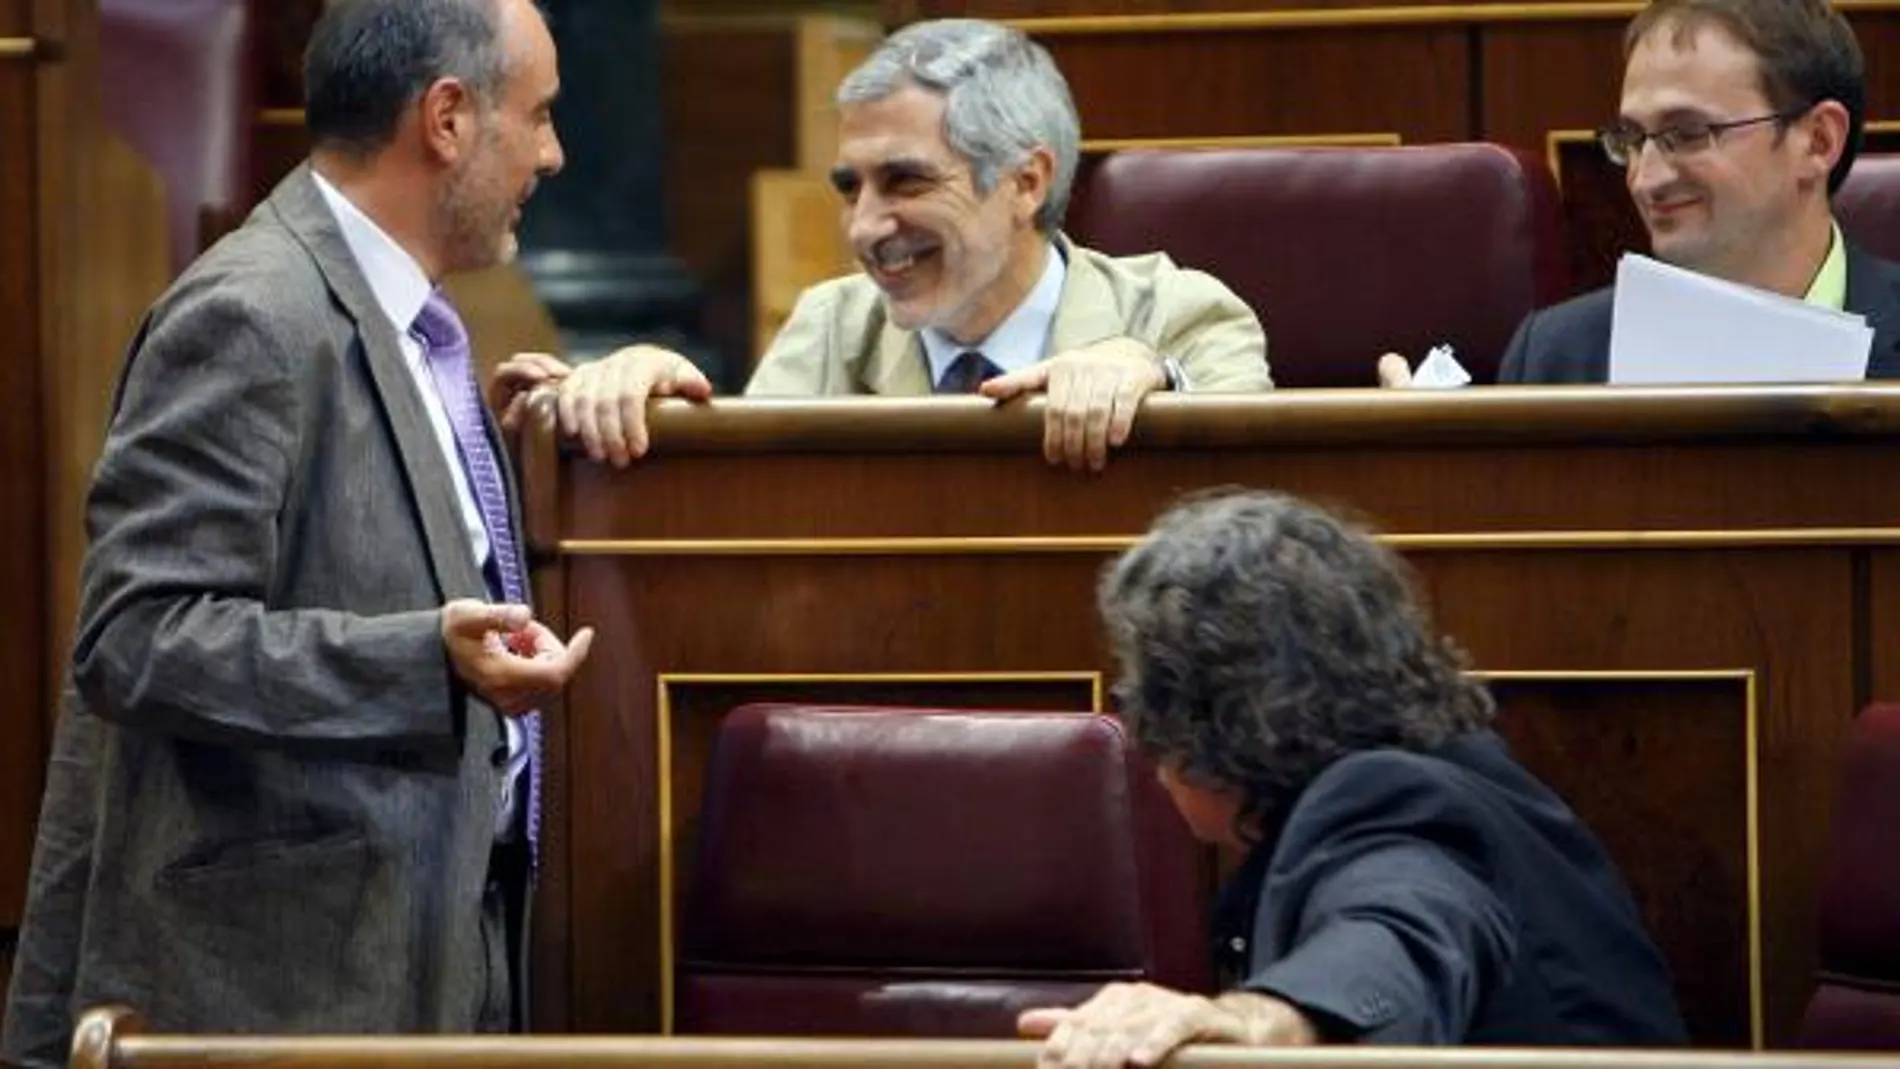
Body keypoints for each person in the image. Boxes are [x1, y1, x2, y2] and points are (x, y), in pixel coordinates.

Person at [0, 1, 593, 1063]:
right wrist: (421, 659)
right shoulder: (253, 314)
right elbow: (137, 638)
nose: (551, 153)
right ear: (448, 118)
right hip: (284, 988)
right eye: (538, 115)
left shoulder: (423, 326)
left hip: (434, 950)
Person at [1018, 490, 1688, 1066]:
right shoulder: (1452, 767)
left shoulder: (1386, 809)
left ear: (1204, 718)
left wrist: (1268, 1015)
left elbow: (1403, 929)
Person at [493, 18, 1271, 474]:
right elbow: (743, 517)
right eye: (850, 187)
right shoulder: (834, 324)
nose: (864, 228)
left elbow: (1259, 504)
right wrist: (658, 402)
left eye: (905, 182)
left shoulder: (1179, 312)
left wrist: (1152, 373)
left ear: (1027, 181)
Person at [1380, 0, 1900, 386]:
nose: (1646, 178)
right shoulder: (1558, 355)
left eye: (1689, 133)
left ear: (1818, 140)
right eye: (1632, 138)